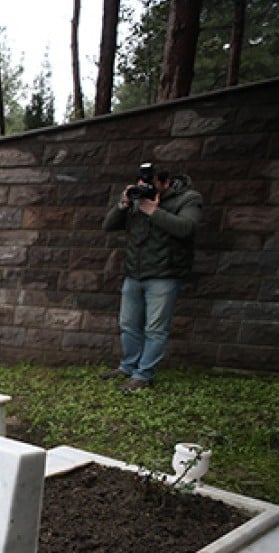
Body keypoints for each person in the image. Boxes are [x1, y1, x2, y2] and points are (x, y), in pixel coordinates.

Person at [100, 163, 202, 392]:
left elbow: (187, 228)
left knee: (155, 328)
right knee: (128, 324)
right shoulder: (137, 199)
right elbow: (108, 226)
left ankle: (143, 375)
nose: (146, 187)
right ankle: (128, 367)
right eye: (142, 182)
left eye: (151, 183)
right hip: (134, 273)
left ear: (166, 182)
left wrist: (153, 211)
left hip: (164, 275)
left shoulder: (188, 199)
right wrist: (123, 203)